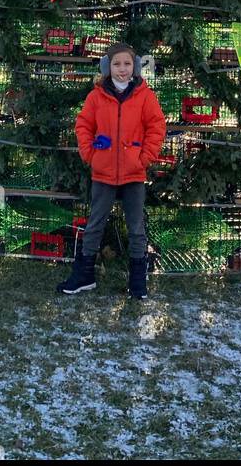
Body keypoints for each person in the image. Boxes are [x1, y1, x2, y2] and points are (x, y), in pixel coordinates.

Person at [56, 42, 166, 300]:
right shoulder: (96, 96)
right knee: (94, 224)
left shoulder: (145, 96)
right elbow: (83, 125)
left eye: (127, 64)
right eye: (117, 64)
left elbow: (157, 126)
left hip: (134, 174)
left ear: (135, 67)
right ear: (108, 67)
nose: (122, 69)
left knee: (136, 228)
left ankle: (138, 283)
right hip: (103, 172)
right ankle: (84, 276)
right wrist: (90, 154)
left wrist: (145, 157)